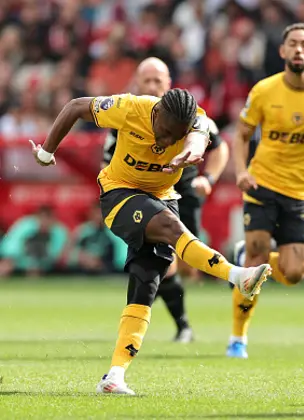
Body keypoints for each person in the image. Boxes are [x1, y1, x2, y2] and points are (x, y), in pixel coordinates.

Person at [29, 88, 271, 395]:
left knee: (145, 286)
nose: (169, 142)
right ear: (157, 114)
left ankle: (114, 375)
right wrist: (47, 151)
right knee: (171, 226)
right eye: (166, 133)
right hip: (120, 193)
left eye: (176, 136)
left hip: (162, 197)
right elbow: (76, 106)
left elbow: (199, 138)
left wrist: (192, 152)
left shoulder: (196, 123)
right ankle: (237, 275)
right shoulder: (130, 108)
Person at [228, 22, 304, 358]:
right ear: (282, 52)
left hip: (299, 192)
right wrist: (240, 170)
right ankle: (238, 337)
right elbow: (240, 135)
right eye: (292, 44)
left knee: (295, 274)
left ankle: (248, 261)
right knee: (255, 258)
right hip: (261, 183)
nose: (298, 49)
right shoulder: (264, 91)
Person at [102, 57, 230, 343]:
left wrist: (208, 179)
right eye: (145, 80)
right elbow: (108, 157)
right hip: (143, 194)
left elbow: (220, 149)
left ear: (168, 83)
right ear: (136, 83)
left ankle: (171, 321)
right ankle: (182, 326)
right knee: (163, 259)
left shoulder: (191, 114)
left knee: (186, 265)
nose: (151, 86)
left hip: (184, 192)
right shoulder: (126, 113)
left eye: (156, 81)